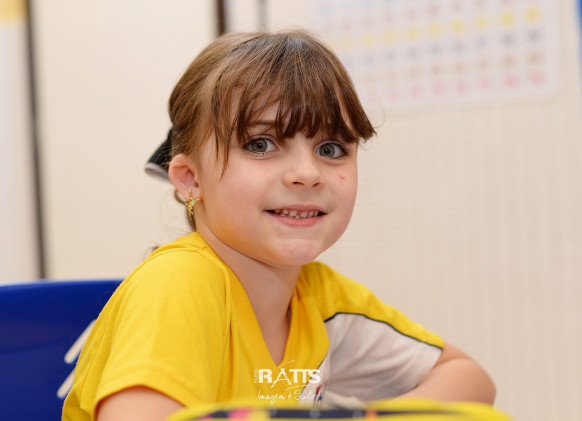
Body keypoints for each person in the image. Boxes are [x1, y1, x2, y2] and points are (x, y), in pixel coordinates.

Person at [62, 30, 495, 421]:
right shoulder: (178, 284)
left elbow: (468, 379)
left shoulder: (320, 297)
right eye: (261, 144)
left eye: (331, 148)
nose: (307, 173)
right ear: (191, 179)